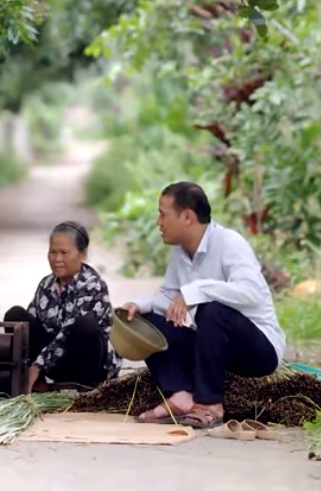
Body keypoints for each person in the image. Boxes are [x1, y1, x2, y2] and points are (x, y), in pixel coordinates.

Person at [120, 182, 286, 429]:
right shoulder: (179, 252)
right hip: (213, 346)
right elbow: (167, 298)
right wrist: (138, 306)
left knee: (212, 310)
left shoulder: (229, 242)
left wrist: (196, 292)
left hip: (258, 349)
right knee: (150, 322)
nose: (158, 222)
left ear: (187, 216)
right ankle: (180, 396)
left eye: (163, 214)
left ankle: (210, 404)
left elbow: (252, 293)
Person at [4, 221, 122, 393]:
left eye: (64, 253)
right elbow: (30, 327)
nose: (57, 259)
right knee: (15, 316)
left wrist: (37, 366)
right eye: (53, 252)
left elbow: (68, 333)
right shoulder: (46, 284)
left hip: (87, 363)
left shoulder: (92, 284)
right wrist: (29, 364)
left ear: (83, 254)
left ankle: (87, 389)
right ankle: (37, 383)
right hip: (55, 362)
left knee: (85, 325)